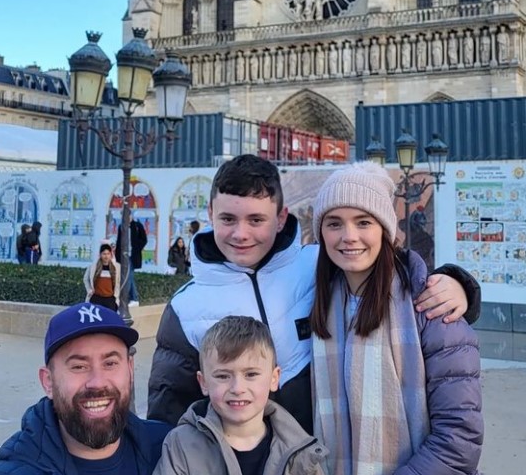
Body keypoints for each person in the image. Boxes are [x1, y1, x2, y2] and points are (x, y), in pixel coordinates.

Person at [147, 154, 480, 433]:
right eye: (228, 218)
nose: (241, 233)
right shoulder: (185, 308)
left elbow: (391, 268)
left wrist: (457, 283)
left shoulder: (319, 264)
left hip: (322, 463)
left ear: (281, 218)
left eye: (256, 219)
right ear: (210, 215)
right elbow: (168, 416)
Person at [310, 162, 484, 475]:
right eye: (334, 223)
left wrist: (461, 285)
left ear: (385, 229)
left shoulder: (430, 306)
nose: (349, 237)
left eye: (363, 222)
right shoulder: (317, 301)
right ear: (321, 232)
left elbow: (459, 441)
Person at [0, 302, 170, 475]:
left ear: (130, 369)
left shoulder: (171, 451)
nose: (97, 382)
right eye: (79, 366)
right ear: (48, 382)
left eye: (110, 363)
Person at [149, 315, 328, 475]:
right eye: (223, 376)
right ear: (203, 383)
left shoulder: (300, 449)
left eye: (251, 374)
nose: (237, 388)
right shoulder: (182, 444)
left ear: (274, 378)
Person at [115, 212, 148, 307]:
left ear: (131, 216)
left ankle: (129, 298)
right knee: (128, 276)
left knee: (129, 276)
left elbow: (144, 239)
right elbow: (118, 242)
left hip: (132, 255)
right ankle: (134, 298)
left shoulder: (138, 226)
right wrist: (118, 256)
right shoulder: (121, 227)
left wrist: (137, 247)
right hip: (123, 255)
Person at [84, 242, 120, 311]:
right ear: (100, 255)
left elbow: (119, 283)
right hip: (96, 298)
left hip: (110, 299)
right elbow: (86, 279)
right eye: (104, 254)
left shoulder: (117, 267)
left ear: (111, 255)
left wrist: (116, 296)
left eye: (108, 254)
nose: (106, 256)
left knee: (109, 320)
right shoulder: (93, 266)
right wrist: (89, 290)